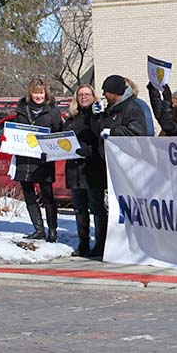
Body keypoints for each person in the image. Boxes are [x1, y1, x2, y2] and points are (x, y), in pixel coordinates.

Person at [13, 77, 63, 242]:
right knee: (29, 196)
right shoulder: (22, 109)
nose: (38, 96)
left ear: (45, 93)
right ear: (30, 93)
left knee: (47, 196)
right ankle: (38, 229)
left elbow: (58, 132)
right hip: (25, 158)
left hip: (44, 159)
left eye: (41, 92)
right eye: (35, 92)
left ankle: (53, 230)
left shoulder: (52, 111)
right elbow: (15, 132)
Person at [65, 84, 108, 259]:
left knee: (96, 208)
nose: (83, 97)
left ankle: (100, 243)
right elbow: (62, 138)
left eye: (87, 94)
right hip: (74, 168)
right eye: (80, 94)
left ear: (93, 96)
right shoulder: (71, 119)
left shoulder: (98, 116)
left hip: (92, 168)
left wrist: (88, 152)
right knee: (79, 208)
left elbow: (101, 137)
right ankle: (83, 243)